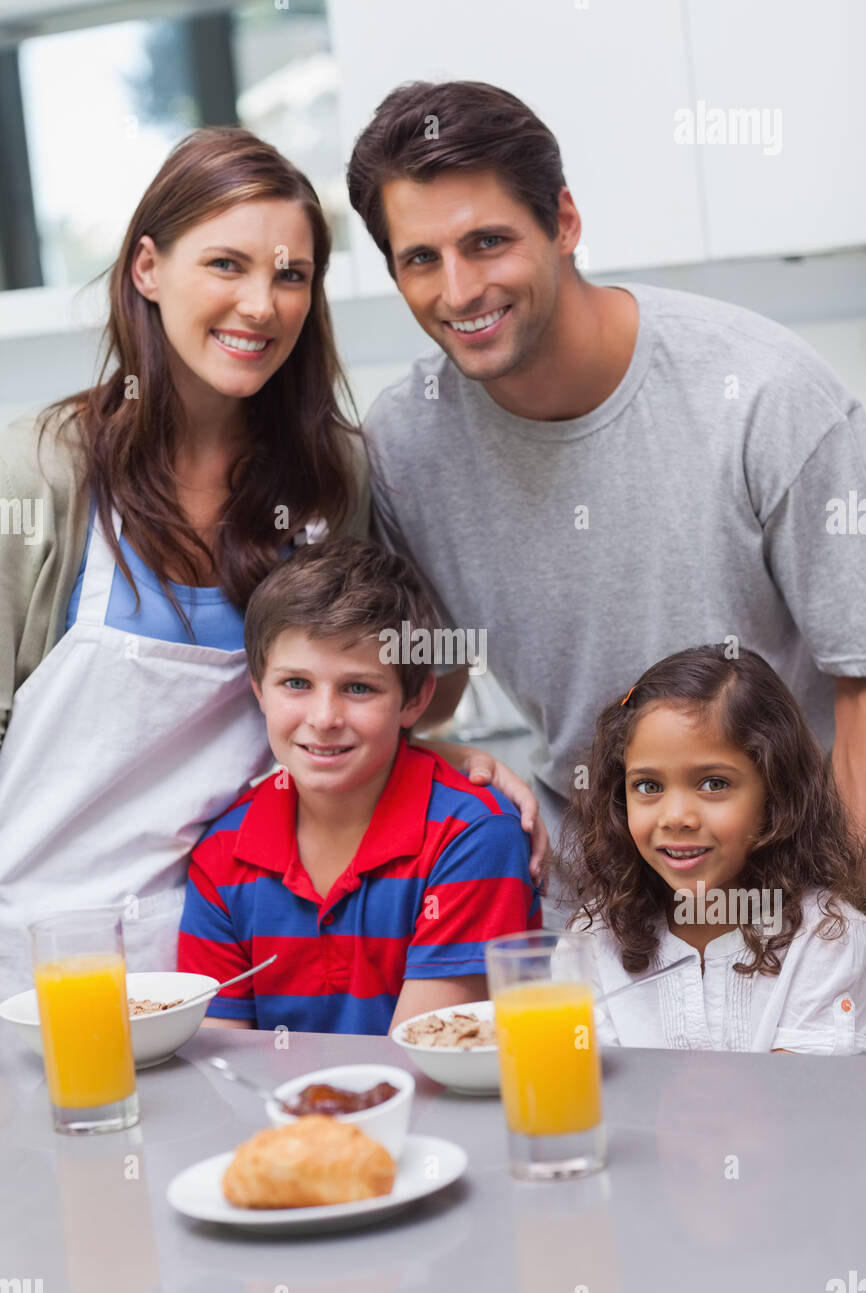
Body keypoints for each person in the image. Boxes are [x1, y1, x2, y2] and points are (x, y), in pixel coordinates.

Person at [0, 124, 540, 1000]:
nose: (262, 304)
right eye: (226, 265)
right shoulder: (41, 471)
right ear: (147, 269)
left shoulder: (334, 478)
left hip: (223, 962)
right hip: (34, 972)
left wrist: (435, 751)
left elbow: (357, 669)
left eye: (292, 275)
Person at [346, 80, 866, 853]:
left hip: (787, 884)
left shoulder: (763, 393)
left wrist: (840, 923)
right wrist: (420, 744)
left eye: (487, 241)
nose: (459, 291)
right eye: (422, 258)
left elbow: (859, 679)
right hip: (590, 895)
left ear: (563, 222)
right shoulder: (403, 444)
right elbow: (435, 685)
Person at [177, 538, 540, 1033]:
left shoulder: (474, 838)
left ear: (414, 701)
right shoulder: (221, 856)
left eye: (359, 688)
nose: (324, 719)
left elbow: (426, 1061)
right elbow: (221, 1064)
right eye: (296, 684)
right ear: (259, 690)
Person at [554, 645, 866, 1053]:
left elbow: (796, 1103)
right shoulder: (592, 940)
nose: (676, 817)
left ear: (776, 794)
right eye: (648, 786)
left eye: (713, 784)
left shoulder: (827, 935)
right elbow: (589, 1086)